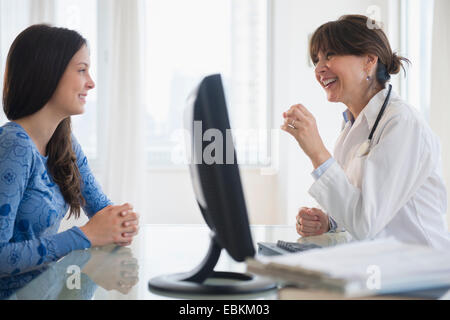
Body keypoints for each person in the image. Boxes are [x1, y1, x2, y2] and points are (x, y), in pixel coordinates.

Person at [281, 15, 450, 250]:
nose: (319, 68)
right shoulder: (353, 126)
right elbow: (358, 208)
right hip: (379, 264)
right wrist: (329, 222)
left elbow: (366, 223)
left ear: (369, 61)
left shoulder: (402, 123)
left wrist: (316, 151)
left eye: (330, 55)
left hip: (420, 270)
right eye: (317, 59)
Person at [0, 24, 140, 279]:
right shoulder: (13, 145)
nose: (91, 82)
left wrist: (121, 222)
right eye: (82, 70)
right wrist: (85, 235)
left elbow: (101, 209)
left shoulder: (63, 141)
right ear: (47, 73)